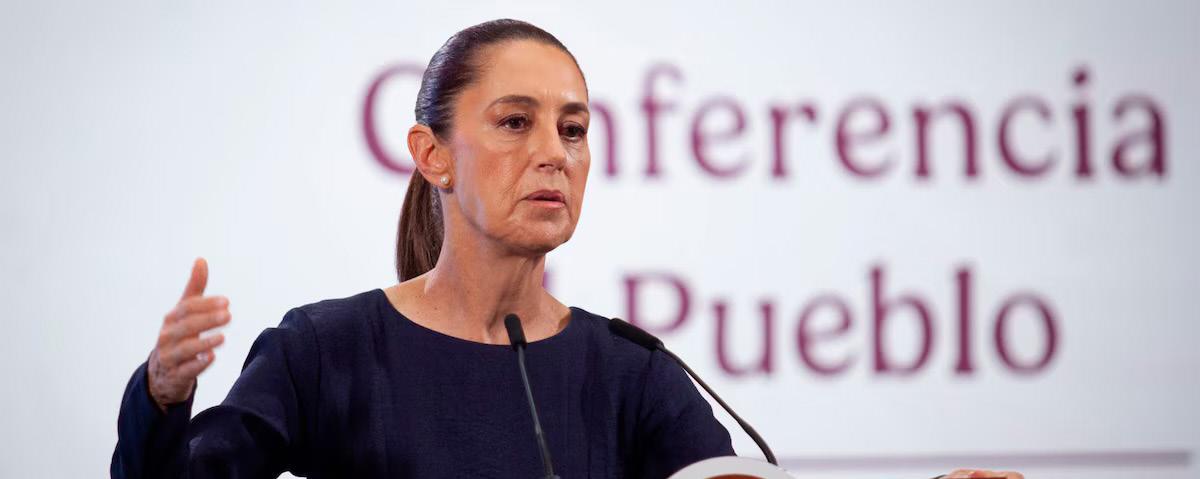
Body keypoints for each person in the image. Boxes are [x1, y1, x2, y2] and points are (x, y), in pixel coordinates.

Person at [110, 19, 1023, 479]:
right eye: (516, 122)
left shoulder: (630, 371)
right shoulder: (327, 349)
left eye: (574, 129)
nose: (554, 152)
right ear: (432, 154)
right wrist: (163, 392)